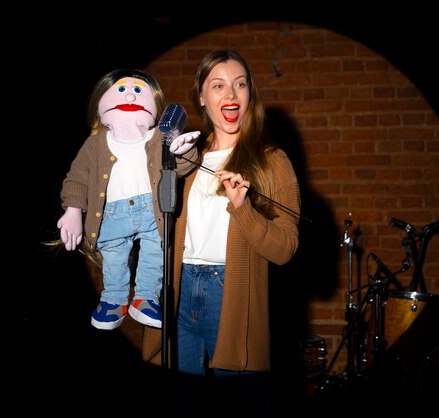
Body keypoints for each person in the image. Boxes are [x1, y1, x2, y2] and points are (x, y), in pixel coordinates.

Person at [142, 49, 301, 416]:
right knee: (179, 406)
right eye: (218, 85)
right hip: (178, 290)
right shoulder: (185, 157)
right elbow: (154, 224)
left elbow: (286, 247)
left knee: (241, 408)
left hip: (230, 294)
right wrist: (164, 165)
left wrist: (243, 207)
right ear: (202, 97)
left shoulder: (271, 160)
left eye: (240, 84)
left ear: (249, 95)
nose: (230, 94)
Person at [56, 69, 200, 330]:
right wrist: (73, 210)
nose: (131, 96)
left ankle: (145, 299)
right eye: (122, 90)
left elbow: (180, 167)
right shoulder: (95, 144)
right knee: (113, 255)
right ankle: (114, 300)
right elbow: (77, 177)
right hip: (111, 214)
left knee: (155, 253)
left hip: (151, 210)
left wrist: (182, 151)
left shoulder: (159, 138)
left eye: (138, 90)